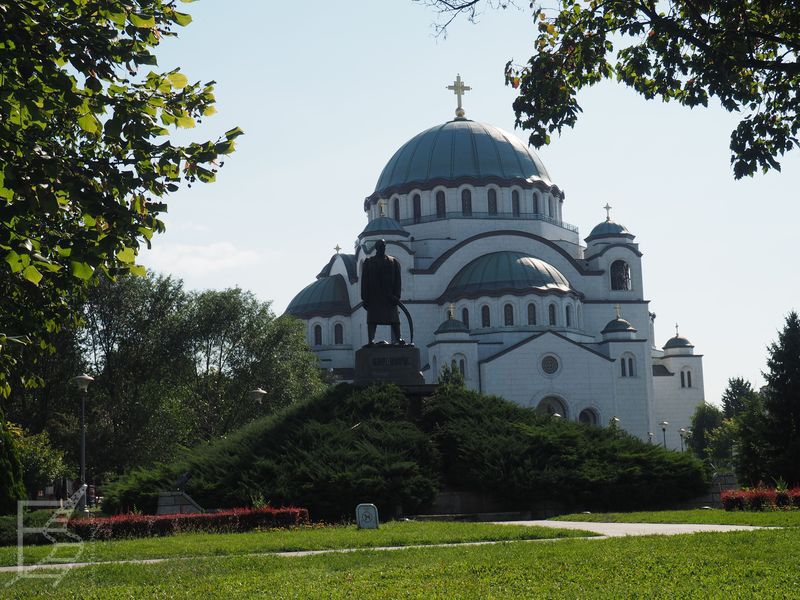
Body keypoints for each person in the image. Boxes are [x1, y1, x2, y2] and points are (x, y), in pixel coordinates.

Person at [361, 239, 404, 345]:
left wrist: (397, 296)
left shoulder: (393, 262)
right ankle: (371, 339)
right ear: (376, 248)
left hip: (390, 297)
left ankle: (398, 338)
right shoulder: (369, 262)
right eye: (380, 246)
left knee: (394, 319)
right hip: (374, 296)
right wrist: (365, 298)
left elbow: (398, 280)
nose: (382, 248)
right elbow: (364, 281)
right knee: (372, 319)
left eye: (383, 246)